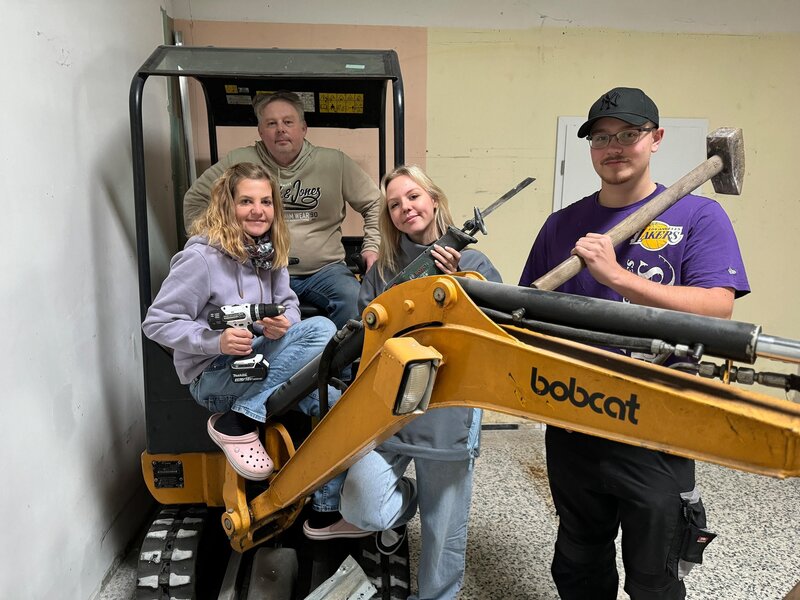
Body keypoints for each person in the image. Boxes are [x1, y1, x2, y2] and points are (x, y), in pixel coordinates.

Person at [519, 87, 750, 599]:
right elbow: (530, 310)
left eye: (628, 134)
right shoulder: (561, 225)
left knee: (654, 574)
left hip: (657, 424)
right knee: (579, 560)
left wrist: (618, 277)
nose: (614, 147)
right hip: (574, 417)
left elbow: (718, 307)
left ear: (656, 138)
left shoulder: (698, 216)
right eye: (601, 138)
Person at [143, 162, 369, 538]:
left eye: (266, 201)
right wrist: (215, 341)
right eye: (246, 201)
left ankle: (325, 513)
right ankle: (239, 421)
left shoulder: (268, 253)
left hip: (256, 361)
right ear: (227, 205)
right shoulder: (201, 260)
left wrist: (281, 323)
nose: (258, 210)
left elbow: (288, 304)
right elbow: (157, 323)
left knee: (333, 400)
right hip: (214, 375)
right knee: (323, 329)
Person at [338, 165, 502, 600]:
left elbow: (495, 335)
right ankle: (410, 501)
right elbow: (368, 336)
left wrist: (458, 283)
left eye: (413, 197)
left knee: (444, 532)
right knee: (362, 506)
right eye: (394, 204)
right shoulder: (384, 271)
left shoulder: (475, 264)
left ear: (433, 200)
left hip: (448, 410)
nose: (405, 208)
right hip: (389, 410)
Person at [183, 90, 382, 330]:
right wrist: (217, 245)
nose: (280, 129)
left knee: (355, 302)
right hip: (256, 271)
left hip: (323, 271)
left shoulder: (335, 163)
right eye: (271, 123)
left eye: (288, 122)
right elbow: (196, 199)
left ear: (303, 128)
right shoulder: (239, 161)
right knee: (236, 316)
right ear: (260, 131)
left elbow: (375, 203)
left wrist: (372, 246)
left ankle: (336, 356)